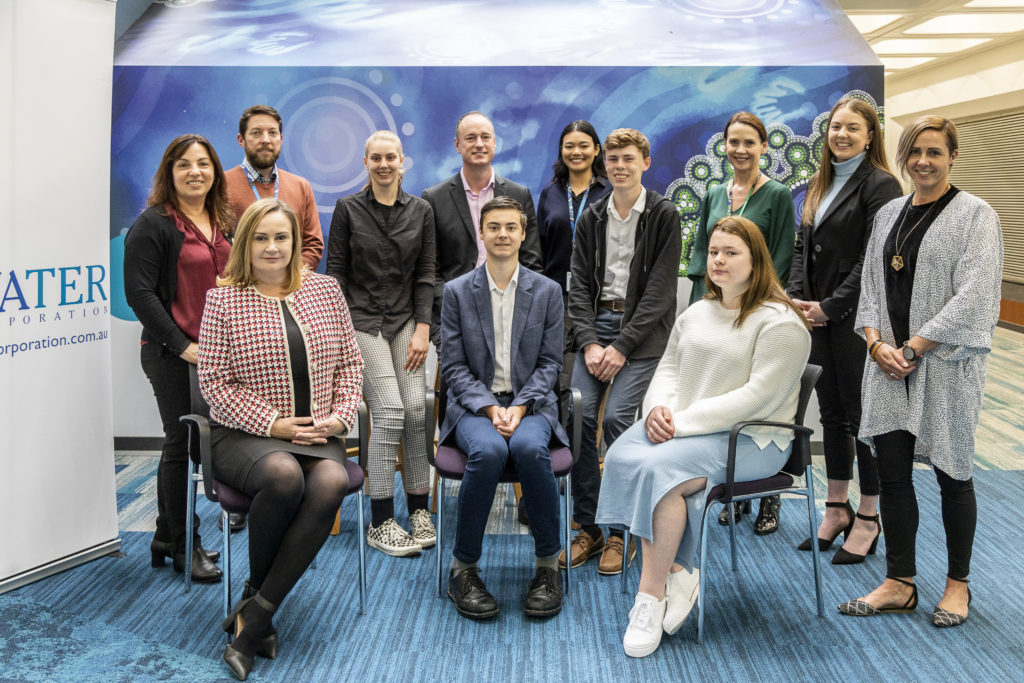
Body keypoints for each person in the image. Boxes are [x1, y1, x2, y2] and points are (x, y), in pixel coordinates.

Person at [597, 216, 811, 657]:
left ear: (757, 260)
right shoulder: (697, 311)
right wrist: (658, 410)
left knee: (661, 474)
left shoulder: (782, 322)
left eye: (731, 252)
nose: (718, 260)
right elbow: (669, 369)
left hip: (752, 442)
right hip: (689, 429)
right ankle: (681, 568)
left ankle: (650, 596)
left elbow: (757, 398)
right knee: (620, 454)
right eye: (714, 251)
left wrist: (680, 423)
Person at [838, 116, 1001, 627]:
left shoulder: (976, 215)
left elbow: (975, 294)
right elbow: (868, 285)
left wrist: (913, 346)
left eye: (934, 152)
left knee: (954, 475)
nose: (923, 162)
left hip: (945, 366)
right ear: (903, 158)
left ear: (952, 156)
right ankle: (899, 581)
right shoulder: (888, 213)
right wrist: (874, 343)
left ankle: (957, 586)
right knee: (892, 475)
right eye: (914, 153)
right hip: (887, 365)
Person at [198, 198, 363, 680]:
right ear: (245, 244)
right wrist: (274, 424)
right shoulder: (222, 299)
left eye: (281, 237)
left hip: (319, 431)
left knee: (331, 481)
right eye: (261, 238)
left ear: (296, 242)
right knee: (283, 475)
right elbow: (215, 384)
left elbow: (351, 364)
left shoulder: (326, 290)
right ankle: (258, 613)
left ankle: (254, 615)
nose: (272, 247)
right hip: (247, 435)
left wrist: (337, 418)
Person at [440, 196, 567, 620]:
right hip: (476, 408)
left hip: (532, 404)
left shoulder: (547, 291)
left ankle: (548, 567)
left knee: (531, 451)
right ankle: (464, 568)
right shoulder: (456, 292)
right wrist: (491, 409)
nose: (502, 235)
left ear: (523, 232)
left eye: (511, 227)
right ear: (482, 231)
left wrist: (524, 404)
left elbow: (551, 363)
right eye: (494, 227)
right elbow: (453, 367)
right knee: (489, 451)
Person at [788, 97, 902, 564]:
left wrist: (831, 307)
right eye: (836, 127)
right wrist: (798, 298)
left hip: (858, 320)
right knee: (831, 415)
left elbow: (873, 257)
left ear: (870, 135)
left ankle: (870, 516)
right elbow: (802, 246)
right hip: (817, 317)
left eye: (853, 128)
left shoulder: (881, 185)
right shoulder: (820, 182)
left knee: (863, 420)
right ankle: (836, 509)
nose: (842, 134)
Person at [564, 128, 681, 575]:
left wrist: (621, 346)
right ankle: (588, 527)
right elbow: (577, 288)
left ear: (645, 163)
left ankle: (620, 532)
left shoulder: (663, 215)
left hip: (643, 334)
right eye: (612, 158)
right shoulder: (592, 216)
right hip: (595, 330)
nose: (619, 166)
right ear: (603, 163)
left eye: (628, 158)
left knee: (616, 421)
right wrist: (590, 342)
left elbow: (659, 292)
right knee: (578, 420)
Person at [123, 133, 233, 584]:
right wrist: (181, 344)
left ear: (214, 171)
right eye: (184, 164)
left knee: (194, 444)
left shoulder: (222, 219)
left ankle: (166, 535)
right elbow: (139, 294)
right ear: (170, 171)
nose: (195, 172)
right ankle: (185, 543)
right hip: (172, 354)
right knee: (183, 444)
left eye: (204, 164)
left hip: (216, 353)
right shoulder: (154, 224)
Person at [326, 130, 436, 557]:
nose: (384, 164)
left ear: (403, 161)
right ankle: (381, 520)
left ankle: (419, 509)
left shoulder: (421, 210)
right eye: (376, 158)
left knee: (414, 408)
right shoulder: (348, 209)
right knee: (389, 410)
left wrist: (423, 327)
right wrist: (337, 330)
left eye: (391, 157)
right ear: (366, 162)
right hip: (361, 323)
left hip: (408, 321)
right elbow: (335, 272)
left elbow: (426, 272)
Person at [687, 111, 797, 534]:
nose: (741, 149)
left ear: (763, 147)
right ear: (724, 145)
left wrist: (757, 307)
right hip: (715, 309)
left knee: (761, 400)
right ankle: (732, 487)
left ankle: (769, 496)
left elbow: (782, 258)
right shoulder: (714, 193)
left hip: (759, 313)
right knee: (722, 392)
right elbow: (702, 253)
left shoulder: (778, 195)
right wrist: (705, 308)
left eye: (749, 142)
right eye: (734, 141)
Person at [421, 110, 544, 347]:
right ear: (457, 145)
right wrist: (449, 305)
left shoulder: (519, 194)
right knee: (459, 383)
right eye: (470, 138)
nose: (479, 144)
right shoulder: (434, 198)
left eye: (485, 137)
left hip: (511, 313)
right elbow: (430, 268)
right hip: (457, 316)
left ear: (495, 143)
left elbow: (532, 262)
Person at [224, 104, 324, 270]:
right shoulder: (220, 185)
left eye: (272, 132)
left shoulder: (301, 186)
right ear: (241, 140)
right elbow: (217, 245)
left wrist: (285, 278)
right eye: (256, 133)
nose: (265, 140)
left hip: (291, 289)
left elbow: (313, 245)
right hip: (242, 289)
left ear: (281, 139)